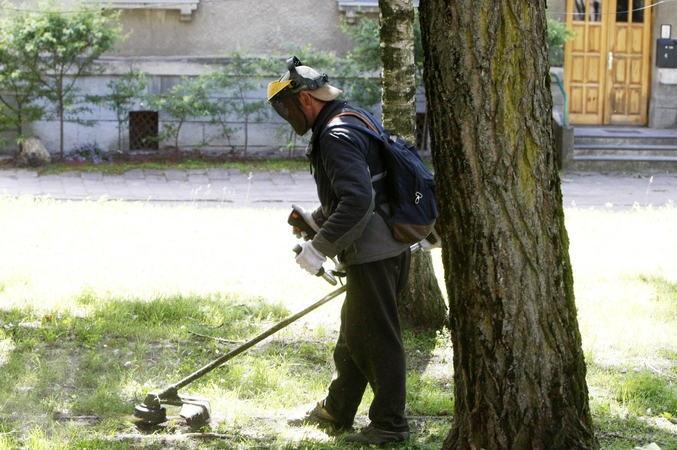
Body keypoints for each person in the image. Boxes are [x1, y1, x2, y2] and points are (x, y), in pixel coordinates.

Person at [267, 56, 412, 445]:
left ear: (306, 100)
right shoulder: (349, 117)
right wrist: (316, 220)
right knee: (356, 333)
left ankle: (389, 426)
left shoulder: (333, 134)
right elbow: (358, 190)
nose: (288, 115)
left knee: (376, 338)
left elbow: (359, 201)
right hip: (385, 247)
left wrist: (318, 248)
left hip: (374, 252)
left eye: (287, 106)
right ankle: (337, 411)